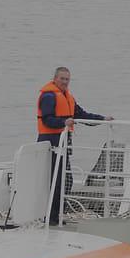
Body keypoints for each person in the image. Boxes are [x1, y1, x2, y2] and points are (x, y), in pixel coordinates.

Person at [37, 67, 112, 225]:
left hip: (64, 143)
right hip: (51, 143)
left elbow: (82, 115)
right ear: (55, 78)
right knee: (57, 181)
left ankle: (57, 214)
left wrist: (102, 119)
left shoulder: (68, 96)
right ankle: (51, 217)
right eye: (62, 79)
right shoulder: (49, 96)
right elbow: (47, 120)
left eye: (67, 79)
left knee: (67, 180)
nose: (65, 82)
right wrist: (63, 122)